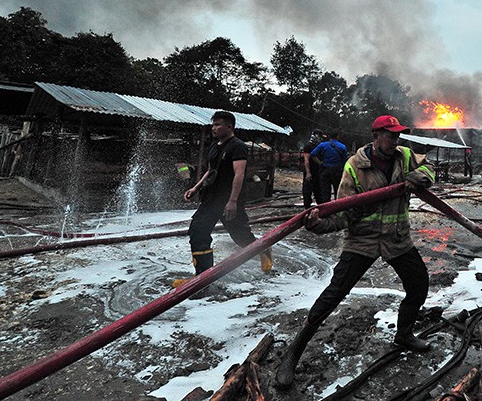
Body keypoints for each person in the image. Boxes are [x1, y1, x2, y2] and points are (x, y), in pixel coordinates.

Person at [275, 115, 436, 389]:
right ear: (375, 136)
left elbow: (431, 169)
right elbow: (342, 215)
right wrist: (317, 225)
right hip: (362, 241)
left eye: (397, 136)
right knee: (334, 294)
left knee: (419, 284)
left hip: (397, 239)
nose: (395, 140)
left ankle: (404, 334)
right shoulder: (354, 167)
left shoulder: (406, 156)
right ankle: (293, 353)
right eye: (390, 135)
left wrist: (420, 177)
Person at [175, 111, 272, 288]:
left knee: (240, 235)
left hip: (228, 200)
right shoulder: (214, 146)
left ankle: (264, 250)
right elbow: (210, 171)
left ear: (229, 127)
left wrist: (233, 201)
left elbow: (239, 174)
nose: (214, 128)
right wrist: (196, 188)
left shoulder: (238, 146)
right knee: (198, 231)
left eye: (218, 125)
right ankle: (203, 277)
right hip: (211, 199)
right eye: (213, 125)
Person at [310, 130, 348, 203]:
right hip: (337, 171)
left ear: (329, 136)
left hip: (325, 170)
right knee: (338, 190)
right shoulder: (342, 146)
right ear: (337, 136)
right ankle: (337, 208)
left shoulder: (322, 145)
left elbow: (313, 155)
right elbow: (344, 161)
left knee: (325, 192)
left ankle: (326, 210)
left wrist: (320, 163)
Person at [302, 129, 324, 208]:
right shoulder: (308, 146)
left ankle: (321, 208)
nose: (321, 139)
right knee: (307, 191)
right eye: (320, 137)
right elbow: (306, 160)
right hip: (311, 171)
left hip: (318, 172)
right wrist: (308, 172)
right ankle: (307, 207)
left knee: (318, 191)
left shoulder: (320, 146)